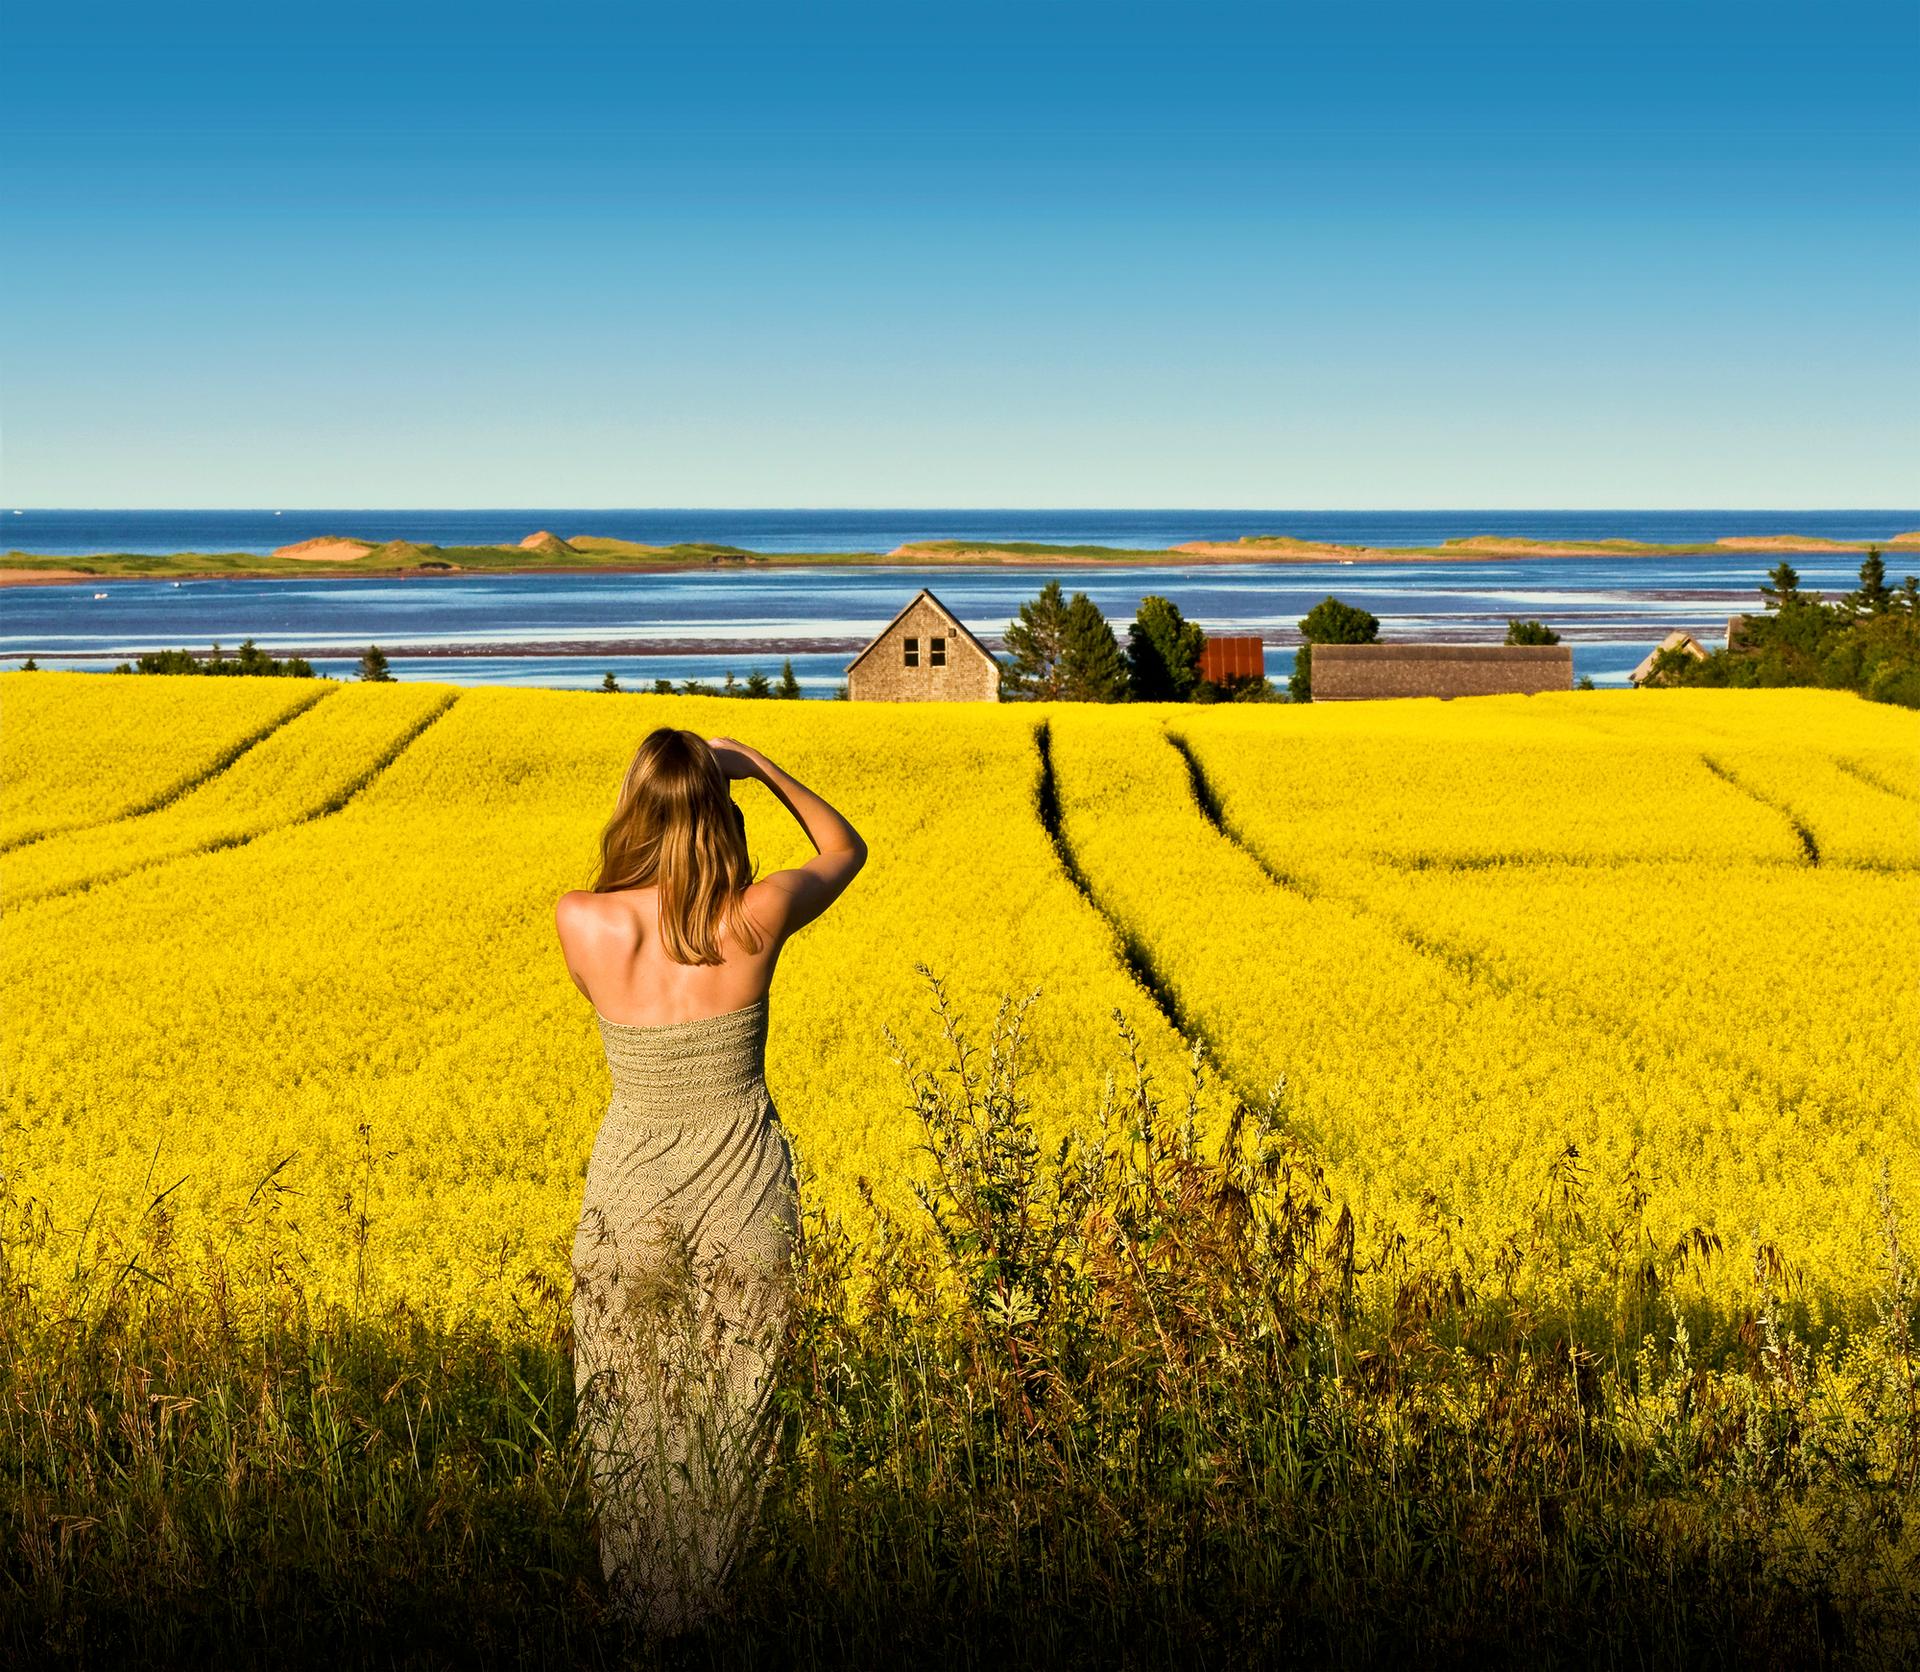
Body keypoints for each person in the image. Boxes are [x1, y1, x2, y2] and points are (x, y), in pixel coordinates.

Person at [553, 729, 867, 1636]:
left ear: (634, 807)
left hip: (631, 1180)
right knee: (741, 1388)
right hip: (744, 1177)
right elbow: (845, 849)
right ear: (718, 811)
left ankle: (642, 1605)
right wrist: (759, 764)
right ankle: (715, 1603)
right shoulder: (754, 915)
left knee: (627, 1387)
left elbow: (604, 993)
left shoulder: (584, 919)